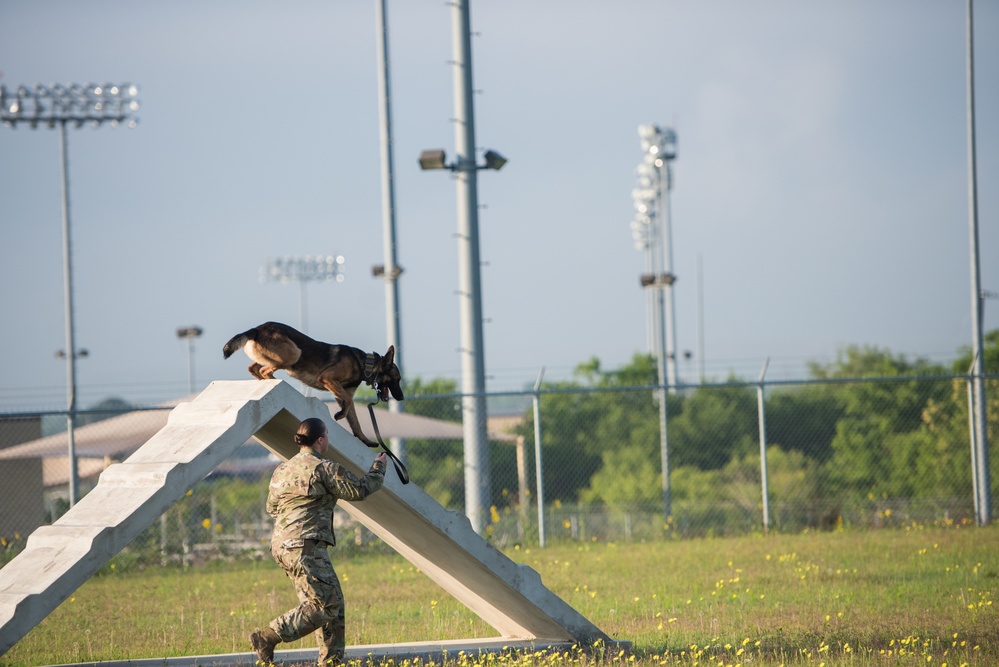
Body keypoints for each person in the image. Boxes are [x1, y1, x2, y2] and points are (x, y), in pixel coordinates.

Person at [250, 417, 387, 666]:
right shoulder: (324, 468)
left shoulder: (282, 470)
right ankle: (268, 637)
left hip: (282, 545)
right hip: (305, 547)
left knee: (328, 602)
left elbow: (272, 508)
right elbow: (360, 490)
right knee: (327, 604)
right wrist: (378, 468)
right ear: (320, 439)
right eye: (327, 435)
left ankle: (331, 660)